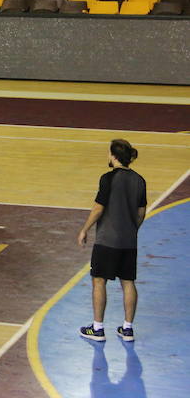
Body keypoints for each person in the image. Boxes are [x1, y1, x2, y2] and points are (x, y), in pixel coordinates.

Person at [77, 139, 146, 342]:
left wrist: (84, 229)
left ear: (113, 156)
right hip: (128, 240)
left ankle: (97, 329)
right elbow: (141, 212)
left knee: (99, 280)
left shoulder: (108, 178)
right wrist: (132, 230)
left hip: (107, 240)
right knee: (128, 282)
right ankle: (127, 329)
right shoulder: (139, 180)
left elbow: (99, 208)